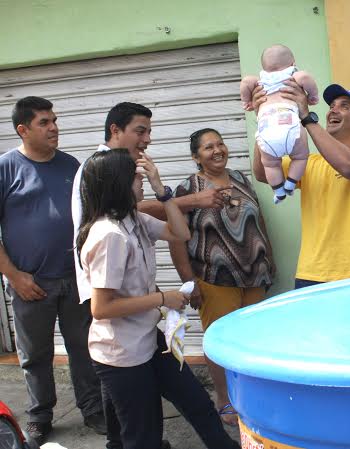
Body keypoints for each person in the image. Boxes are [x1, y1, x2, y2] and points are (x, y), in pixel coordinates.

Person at [70, 102, 229, 449]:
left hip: (147, 337)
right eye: (138, 177)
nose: (143, 178)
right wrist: (162, 298)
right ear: (117, 184)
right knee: (143, 435)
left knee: (196, 403)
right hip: (122, 354)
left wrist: (163, 190)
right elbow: (101, 308)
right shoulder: (109, 234)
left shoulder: (134, 219)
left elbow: (180, 233)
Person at [0, 96, 105, 444]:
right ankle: (40, 415)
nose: (54, 127)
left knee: (83, 348)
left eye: (54, 120)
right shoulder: (6, 168)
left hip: (74, 279)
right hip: (30, 283)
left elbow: (86, 216)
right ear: (23, 129)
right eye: (44, 122)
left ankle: (93, 411)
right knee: (36, 355)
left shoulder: (71, 165)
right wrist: (15, 276)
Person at [168, 128, 275, 426]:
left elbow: (260, 220)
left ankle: (251, 395)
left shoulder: (241, 179)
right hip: (214, 279)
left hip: (254, 276)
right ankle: (224, 398)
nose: (217, 150)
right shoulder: (188, 189)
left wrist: (271, 259)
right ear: (196, 157)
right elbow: (176, 238)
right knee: (220, 341)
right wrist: (189, 282)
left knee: (252, 340)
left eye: (220, 143)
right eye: (207, 147)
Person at [252, 82, 350, 288]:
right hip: (309, 273)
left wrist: (307, 118)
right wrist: (264, 119)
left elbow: (349, 167)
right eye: (332, 105)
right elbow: (262, 173)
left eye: (344, 106)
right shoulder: (309, 162)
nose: (333, 109)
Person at [240, 44, 319, 204]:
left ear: (264, 68)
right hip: (290, 126)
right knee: (300, 157)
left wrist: (247, 101)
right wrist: (313, 95)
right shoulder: (292, 76)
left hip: (267, 130)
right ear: (292, 63)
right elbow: (305, 78)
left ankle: (278, 191)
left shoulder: (259, 81)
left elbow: (245, 81)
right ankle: (290, 183)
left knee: (270, 164)